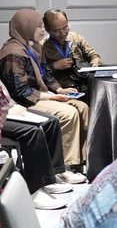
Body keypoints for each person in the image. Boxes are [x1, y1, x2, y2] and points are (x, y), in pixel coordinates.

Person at [0, 9, 89, 173]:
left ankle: (81, 160)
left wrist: (60, 90)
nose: (43, 30)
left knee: (82, 107)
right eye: (39, 26)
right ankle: (63, 167)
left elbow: (46, 74)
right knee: (68, 113)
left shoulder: (32, 46)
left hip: (39, 95)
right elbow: (20, 91)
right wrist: (52, 97)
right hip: (23, 102)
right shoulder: (13, 53)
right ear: (26, 27)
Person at [1, 80, 85, 210]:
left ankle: (51, 177)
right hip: (3, 114)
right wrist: (7, 109)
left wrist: (11, 105)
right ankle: (34, 191)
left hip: (6, 109)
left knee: (51, 121)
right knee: (32, 132)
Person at [42, 9, 102, 93]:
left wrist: (93, 69)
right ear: (47, 29)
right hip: (62, 89)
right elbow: (39, 74)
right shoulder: (42, 47)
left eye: (65, 28)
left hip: (84, 83)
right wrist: (54, 66)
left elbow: (94, 56)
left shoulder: (76, 38)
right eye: (57, 31)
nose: (63, 33)